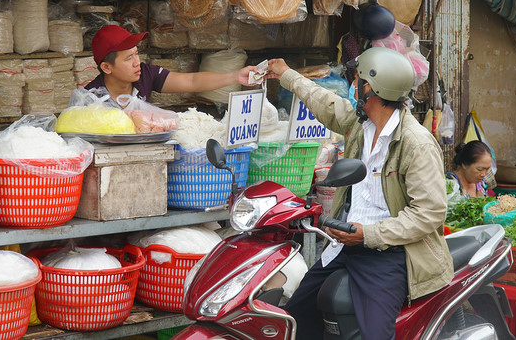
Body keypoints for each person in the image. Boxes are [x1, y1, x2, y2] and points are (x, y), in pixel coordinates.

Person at [266, 47, 452, 340]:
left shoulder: (416, 143)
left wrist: (369, 235)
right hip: (345, 244)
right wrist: (287, 75)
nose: (353, 85)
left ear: (371, 88)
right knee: (297, 317)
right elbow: (325, 103)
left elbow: (429, 213)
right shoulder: (359, 124)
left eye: (358, 79)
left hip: (387, 252)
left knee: (374, 334)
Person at [86, 25, 259, 101]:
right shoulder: (90, 98)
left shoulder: (146, 74)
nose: (137, 63)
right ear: (106, 67)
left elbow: (191, 82)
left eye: (136, 54)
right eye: (128, 58)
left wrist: (236, 76)